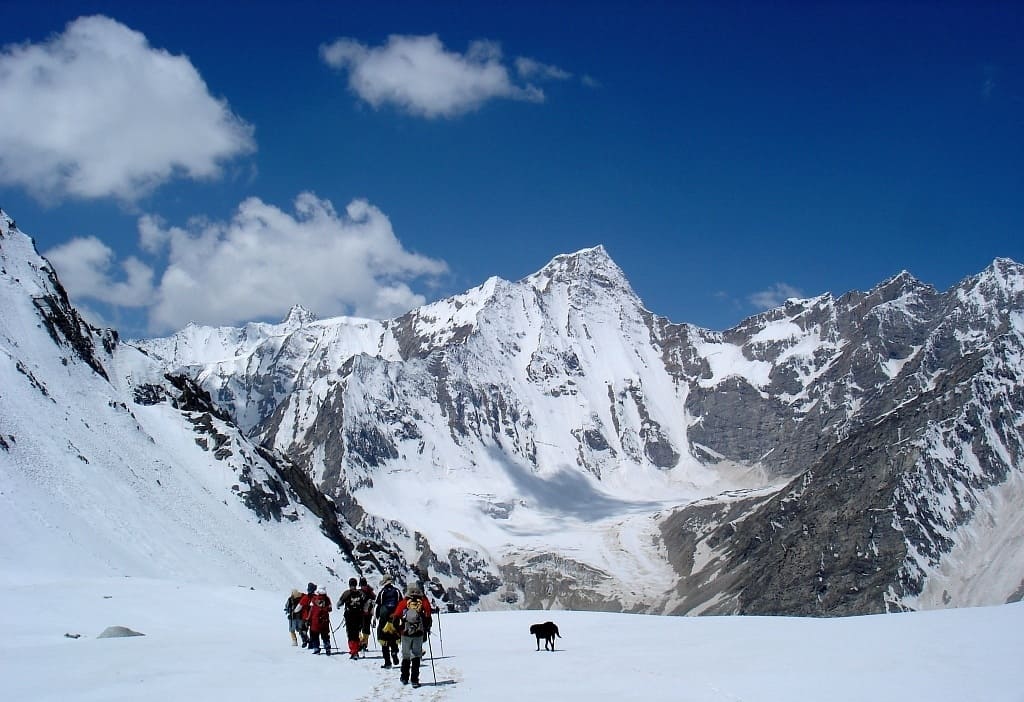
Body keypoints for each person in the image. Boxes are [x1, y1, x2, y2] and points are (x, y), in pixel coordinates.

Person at [392, 582, 432, 687]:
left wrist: (399, 630)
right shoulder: (422, 601)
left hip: (405, 633)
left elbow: (395, 617)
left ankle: (404, 677)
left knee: (406, 656)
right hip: (418, 633)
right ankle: (415, 680)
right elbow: (428, 615)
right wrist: (426, 629)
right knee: (416, 655)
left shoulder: (404, 602)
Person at [375, 576, 403, 668]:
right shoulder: (397, 591)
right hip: (395, 618)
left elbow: (379, 605)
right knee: (394, 637)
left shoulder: (382, 592)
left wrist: (376, 617)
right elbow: (401, 604)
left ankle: (387, 662)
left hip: (384, 619)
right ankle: (394, 652)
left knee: (384, 639)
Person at [338, 577, 368, 659]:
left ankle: (354, 651)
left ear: (349, 584)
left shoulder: (346, 593)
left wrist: (339, 606)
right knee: (356, 633)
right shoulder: (361, 593)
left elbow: (339, 603)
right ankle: (357, 648)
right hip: (359, 616)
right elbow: (366, 604)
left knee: (351, 634)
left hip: (349, 616)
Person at [308, 587, 333, 655]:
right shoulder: (327, 599)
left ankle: (316, 648)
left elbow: (311, 610)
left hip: (315, 620)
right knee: (325, 635)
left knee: (315, 635)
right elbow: (330, 609)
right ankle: (327, 646)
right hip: (325, 620)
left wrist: (308, 619)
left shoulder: (314, 599)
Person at [358, 576, 375, 651]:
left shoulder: (360, 592)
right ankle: (364, 643)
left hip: (362, 613)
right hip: (367, 614)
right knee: (365, 629)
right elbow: (374, 598)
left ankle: (362, 643)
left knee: (360, 628)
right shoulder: (370, 592)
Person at [297, 582, 316, 648]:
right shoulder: (316, 597)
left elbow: (299, 606)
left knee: (302, 629)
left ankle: (305, 640)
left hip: (305, 617)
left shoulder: (305, 597)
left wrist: (295, 612)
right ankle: (311, 643)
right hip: (314, 617)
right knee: (313, 631)